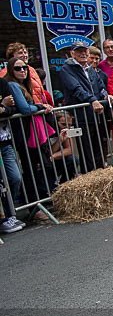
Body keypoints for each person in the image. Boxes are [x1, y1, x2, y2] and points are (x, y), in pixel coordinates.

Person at [4, 56, 57, 206]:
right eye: (18, 68)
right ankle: (34, 203)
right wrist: (39, 107)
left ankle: (43, 197)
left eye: (25, 67)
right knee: (31, 168)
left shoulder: (25, 85)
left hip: (34, 130)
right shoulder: (13, 85)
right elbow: (25, 109)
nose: (22, 71)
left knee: (41, 164)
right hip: (25, 132)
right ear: (11, 71)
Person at [59, 41, 111, 173]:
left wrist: (106, 97)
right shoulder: (67, 69)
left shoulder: (91, 69)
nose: (82, 54)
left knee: (98, 149)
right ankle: (89, 178)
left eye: (84, 51)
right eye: (79, 51)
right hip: (82, 117)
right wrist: (92, 100)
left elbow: (101, 87)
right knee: (86, 152)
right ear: (72, 54)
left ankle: (101, 177)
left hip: (97, 116)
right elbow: (76, 89)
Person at [0, 77, 25, 233]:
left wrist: (3, 108)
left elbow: (13, 108)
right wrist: (2, 105)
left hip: (5, 140)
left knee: (14, 178)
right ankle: (3, 218)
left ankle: (10, 214)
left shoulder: (2, 83)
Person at [50, 110, 79, 181]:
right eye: (63, 124)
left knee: (73, 160)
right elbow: (47, 153)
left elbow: (69, 150)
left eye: (69, 125)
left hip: (53, 159)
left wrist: (54, 156)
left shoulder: (65, 131)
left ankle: (65, 183)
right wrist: (59, 141)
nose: (66, 127)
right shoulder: (48, 129)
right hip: (44, 163)